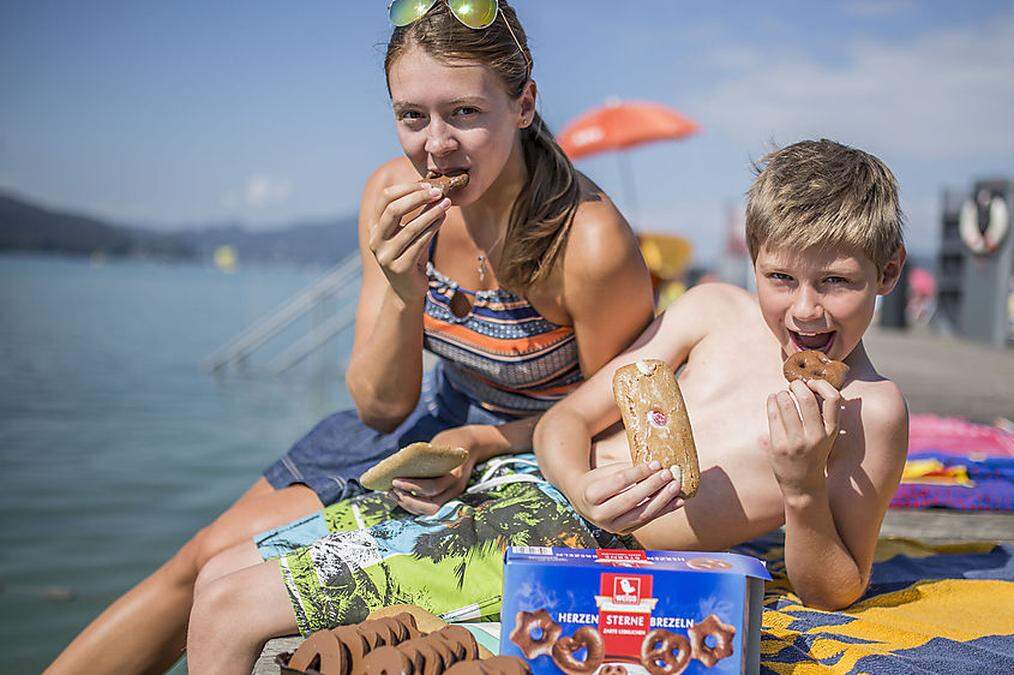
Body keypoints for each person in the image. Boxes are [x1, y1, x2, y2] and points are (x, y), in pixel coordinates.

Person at [48, 1, 653, 672]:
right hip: (430, 417)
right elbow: (379, 407)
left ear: (523, 105)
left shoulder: (590, 243)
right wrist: (401, 285)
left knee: (239, 576)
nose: (436, 145)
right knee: (201, 556)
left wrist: (480, 441)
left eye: (465, 113)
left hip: (542, 446)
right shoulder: (390, 192)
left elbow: (617, 421)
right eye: (411, 116)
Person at [183, 139, 909, 672]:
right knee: (218, 572)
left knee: (228, 609)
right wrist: (577, 482)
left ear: (887, 272)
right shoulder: (715, 311)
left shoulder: (871, 413)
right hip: (530, 488)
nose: (805, 308)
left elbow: (837, 587)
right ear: (752, 258)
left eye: (836, 281)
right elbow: (566, 420)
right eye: (781, 276)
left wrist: (803, 486)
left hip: (571, 551)